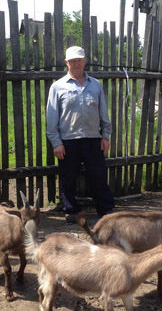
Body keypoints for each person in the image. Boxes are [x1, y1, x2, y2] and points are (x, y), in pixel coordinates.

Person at [46, 46, 114, 223]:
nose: (76, 64)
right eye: (72, 61)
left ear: (85, 61)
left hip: (93, 138)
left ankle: (106, 209)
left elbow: (103, 113)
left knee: (98, 175)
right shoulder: (57, 87)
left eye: (79, 60)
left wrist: (105, 136)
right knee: (68, 177)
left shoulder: (96, 85)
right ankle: (72, 210)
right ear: (66, 63)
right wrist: (56, 142)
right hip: (68, 140)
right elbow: (52, 117)